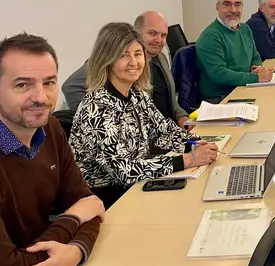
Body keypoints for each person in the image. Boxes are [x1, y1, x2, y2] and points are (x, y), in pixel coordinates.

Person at [0, 34, 104, 266]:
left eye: (49, 82)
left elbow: (89, 203)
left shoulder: (50, 128)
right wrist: (72, 223)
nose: (41, 97)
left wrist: (77, 252)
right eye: (22, 84)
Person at [69, 23, 219, 208]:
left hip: (133, 185)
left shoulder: (137, 95)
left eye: (138, 54)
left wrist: (197, 144)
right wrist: (189, 159)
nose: (134, 62)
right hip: (102, 197)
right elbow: (124, 171)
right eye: (124, 55)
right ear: (107, 59)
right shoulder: (96, 108)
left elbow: (164, 131)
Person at [62, 12, 189, 129]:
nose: (159, 40)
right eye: (152, 33)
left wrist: (183, 120)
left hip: (159, 134)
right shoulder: (99, 108)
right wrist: (92, 114)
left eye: (163, 35)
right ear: (136, 32)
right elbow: (70, 86)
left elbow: (169, 103)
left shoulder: (140, 93)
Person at [196, 0, 273, 102]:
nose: (233, 9)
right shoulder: (211, 36)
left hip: (243, 88)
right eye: (227, 4)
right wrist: (256, 77)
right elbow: (219, 74)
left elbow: (255, 55)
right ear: (217, 7)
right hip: (221, 97)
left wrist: (257, 67)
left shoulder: (245, 29)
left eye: (237, 4)